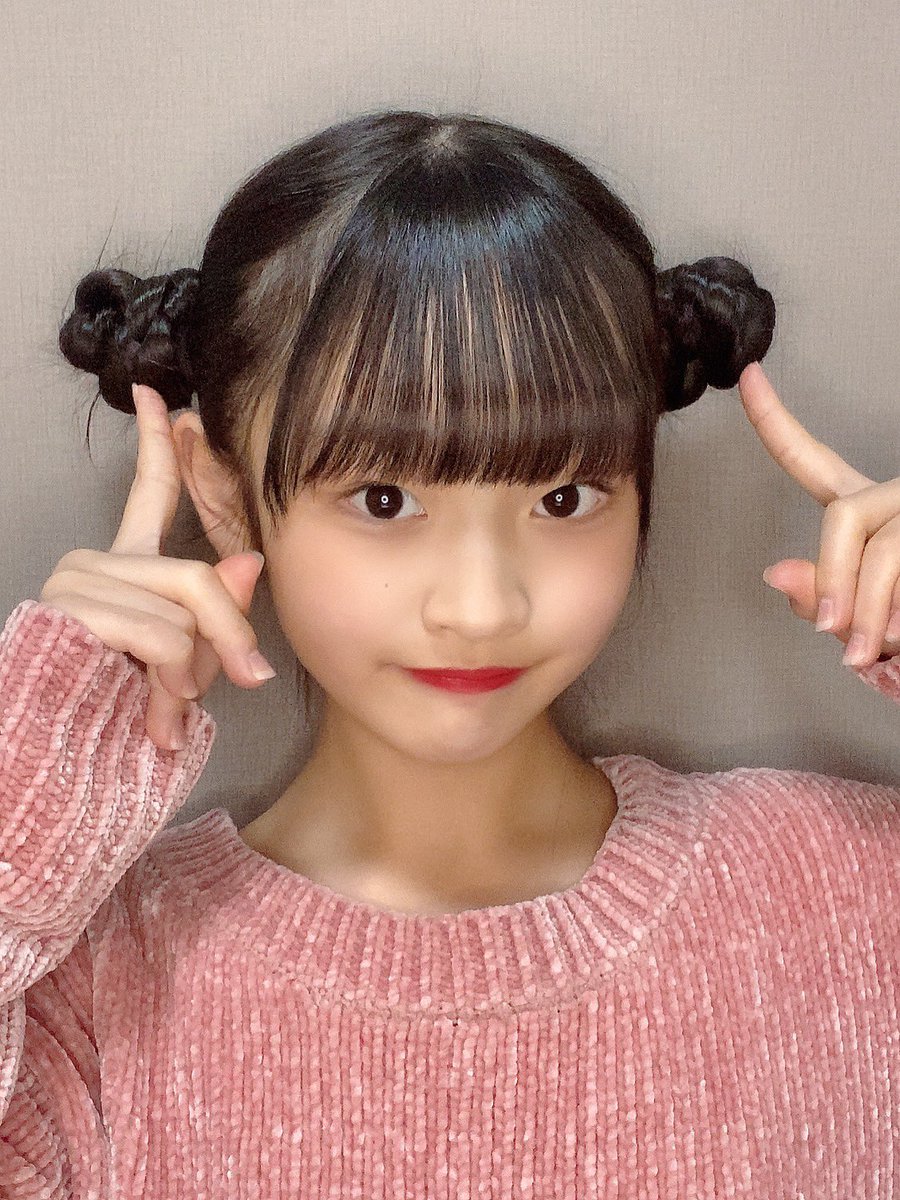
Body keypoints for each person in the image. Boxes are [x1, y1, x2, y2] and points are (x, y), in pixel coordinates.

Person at [0, 108, 897, 1197]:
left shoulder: (848, 898)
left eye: (565, 497)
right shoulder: (91, 997)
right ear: (223, 493)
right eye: (385, 499)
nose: (481, 607)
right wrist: (24, 794)